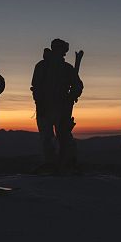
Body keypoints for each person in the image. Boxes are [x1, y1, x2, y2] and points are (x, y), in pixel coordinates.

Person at [31, 39, 83, 174]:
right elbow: (36, 88)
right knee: (55, 136)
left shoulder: (45, 66)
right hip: (50, 108)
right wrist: (72, 96)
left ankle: (61, 162)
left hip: (55, 108)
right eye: (63, 51)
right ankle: (58, 163)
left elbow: (77, 86)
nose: (63, 54)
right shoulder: (47, 67)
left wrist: (72, 96)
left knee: (58, 136)